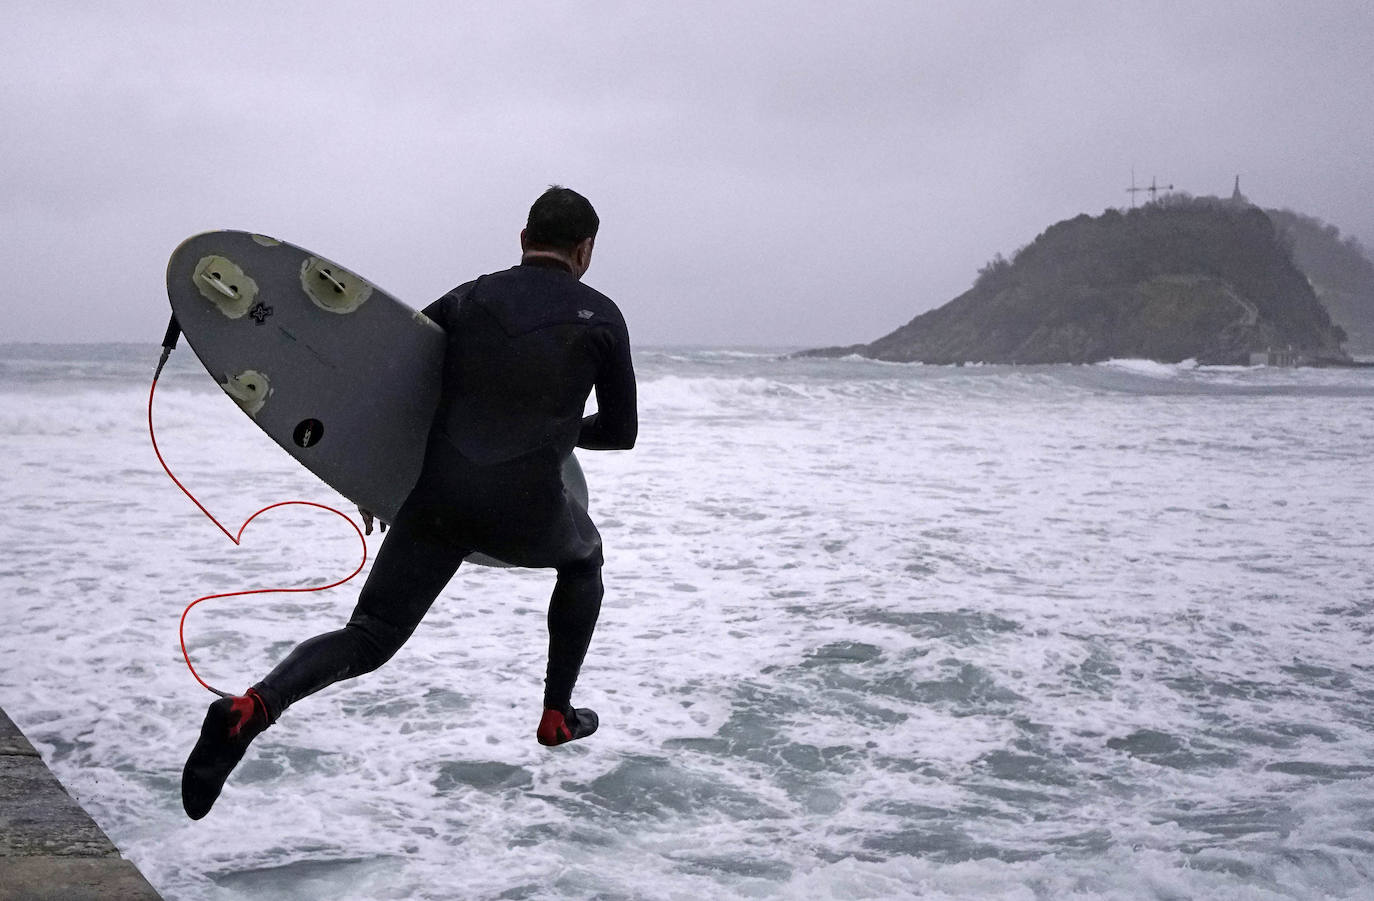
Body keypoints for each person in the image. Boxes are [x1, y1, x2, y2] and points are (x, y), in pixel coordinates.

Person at [182, 186, 637, 820]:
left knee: (368, 637)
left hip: (437, 501)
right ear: (585, 250)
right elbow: (620, 432)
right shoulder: (603, 318)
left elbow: (395, 378)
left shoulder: (470, 297)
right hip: (528, 508)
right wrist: (557, 429)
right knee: (584, 560)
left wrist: (374, 477)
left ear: (523, 239)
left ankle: (251, 708)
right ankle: (556, 712)